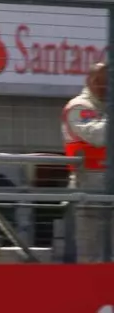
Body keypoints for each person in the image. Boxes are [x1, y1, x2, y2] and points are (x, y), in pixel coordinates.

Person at [61, 62, 109, 261]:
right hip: (88, 188)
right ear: (90, 81)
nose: (106, 86)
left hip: (107, 186)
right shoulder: (79, 107)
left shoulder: (105, 107)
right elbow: (99, 136)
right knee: (90, 255)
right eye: (102, 81)